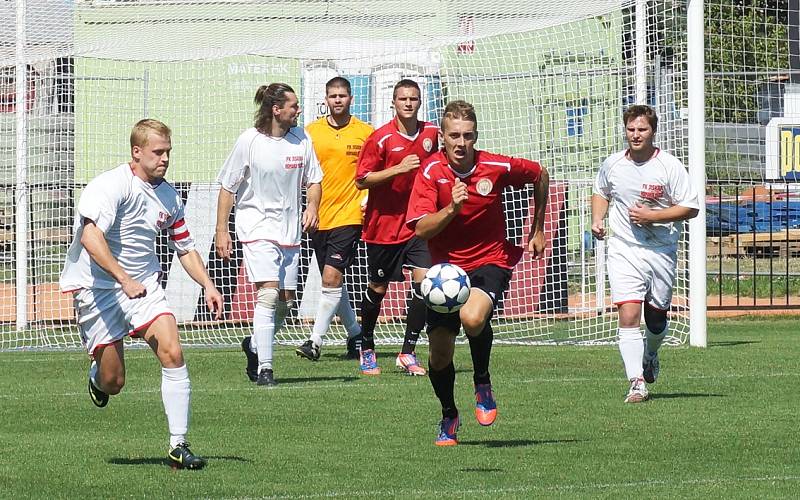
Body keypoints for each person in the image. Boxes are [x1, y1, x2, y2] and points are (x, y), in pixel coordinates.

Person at [59, 119, 224, 469]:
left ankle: (178, 444)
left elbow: (185, 248)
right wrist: (122, 278)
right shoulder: (110, 185)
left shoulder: (169, 196)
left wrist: (208, 284)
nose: (164, 159)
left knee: (172, 350)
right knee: (114, 382)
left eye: (168, 152)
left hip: (145, 287)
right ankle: (97, 378)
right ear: (137, 152)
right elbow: (90, 238)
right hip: (98, 289)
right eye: (157, 152)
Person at [406, 100, 549, 446]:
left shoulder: (495, 166)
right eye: (453, 135)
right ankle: (449, 415)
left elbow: (540, 174)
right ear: (441, 136)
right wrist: (452, 208)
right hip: (444, 272)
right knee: (439, 355)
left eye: (467, 136)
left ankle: (482, 380)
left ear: (476, 137)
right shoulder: (430, 173)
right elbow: (422, 229)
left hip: (490, 260)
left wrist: (537, 228)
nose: (460, 143)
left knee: (472, 319)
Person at [215, 83, 322, 386]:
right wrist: (222, 230)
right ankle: (265, 368)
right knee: (268, 294)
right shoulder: (248, 141)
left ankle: (253, 345)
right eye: (294, 106)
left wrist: (312, 206)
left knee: (287, 302)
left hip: (290, 230)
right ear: (276, 110)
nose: (298, 111)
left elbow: (314, 181)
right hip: (256, 226)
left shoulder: (302, 138)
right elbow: (227, 188)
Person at [591, 104, 699, 403]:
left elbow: (690, 207)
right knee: (628, 313)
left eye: (642, 129)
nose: (636, 135)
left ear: (653, 131)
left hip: (661, 250)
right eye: (631, 129)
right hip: (624, 249)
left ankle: (651, 354)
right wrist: (597, 219)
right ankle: (637, 382)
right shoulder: (613, 164)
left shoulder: (669, 166)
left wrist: (653, 216)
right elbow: (601, 191)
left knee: (656, 319)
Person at [354, 79, 440, 376]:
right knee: (377, 290)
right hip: (383, 227)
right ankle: (366, 347)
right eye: (402, 98)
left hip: (417, 224)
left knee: (425, 285)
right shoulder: (380, 139)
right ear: (393, 102)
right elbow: (362, 179)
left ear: (420, 102)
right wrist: (398, 169)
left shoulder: (431, 133)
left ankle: (408, 351)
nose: (408, 103)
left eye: (413, 98)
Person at [295, 77, 373, 362]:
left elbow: (376, 171)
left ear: (351, 99)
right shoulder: (310, 132)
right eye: (332, 96)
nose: (337, 100)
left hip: (350, 215)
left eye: (342, 95)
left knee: (331, 277)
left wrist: (369, 199)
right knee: (333, 285)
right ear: (325, 100)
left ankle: (315, 341)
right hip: (318, 217)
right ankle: (356, 336)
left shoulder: (365, 132)